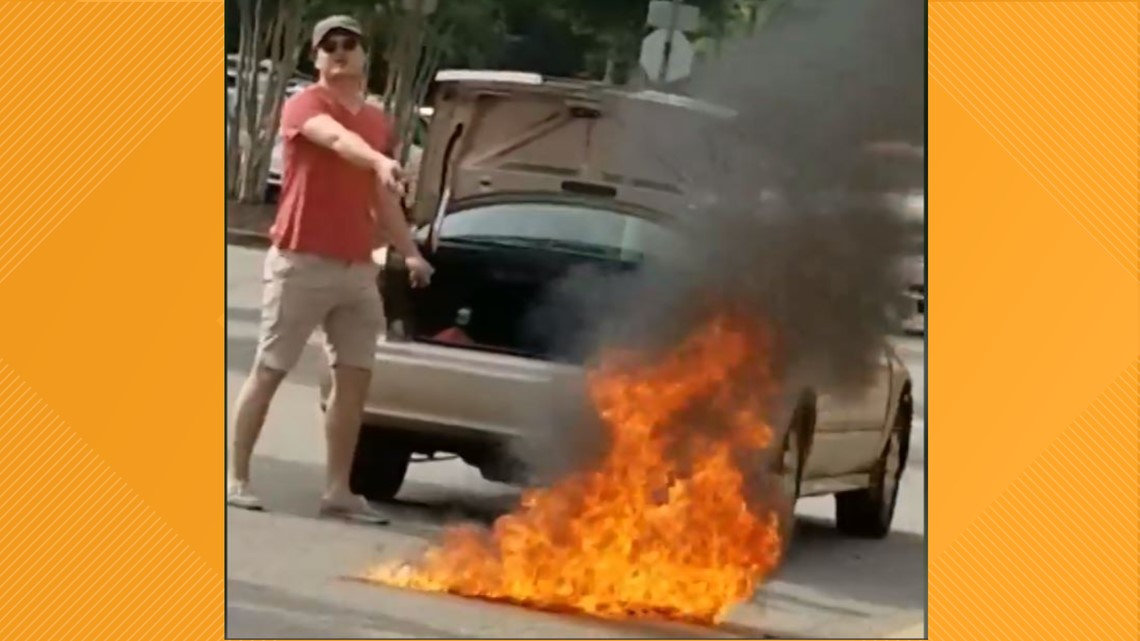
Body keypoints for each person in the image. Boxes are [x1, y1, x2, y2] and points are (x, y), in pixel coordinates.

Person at [226, 15, 434, 524]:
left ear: (365, 57)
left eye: (350, 45)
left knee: (355, 377)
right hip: (301, 261)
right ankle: (237, 477)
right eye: (329, 47)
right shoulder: (305, 105)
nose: (339, 52)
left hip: (356, 269)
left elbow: (381, 199)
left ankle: (338, 490)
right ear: (316, 59)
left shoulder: (378, 119)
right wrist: (379, 162)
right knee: (270, 370)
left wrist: (409, 251)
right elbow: (338, 142)